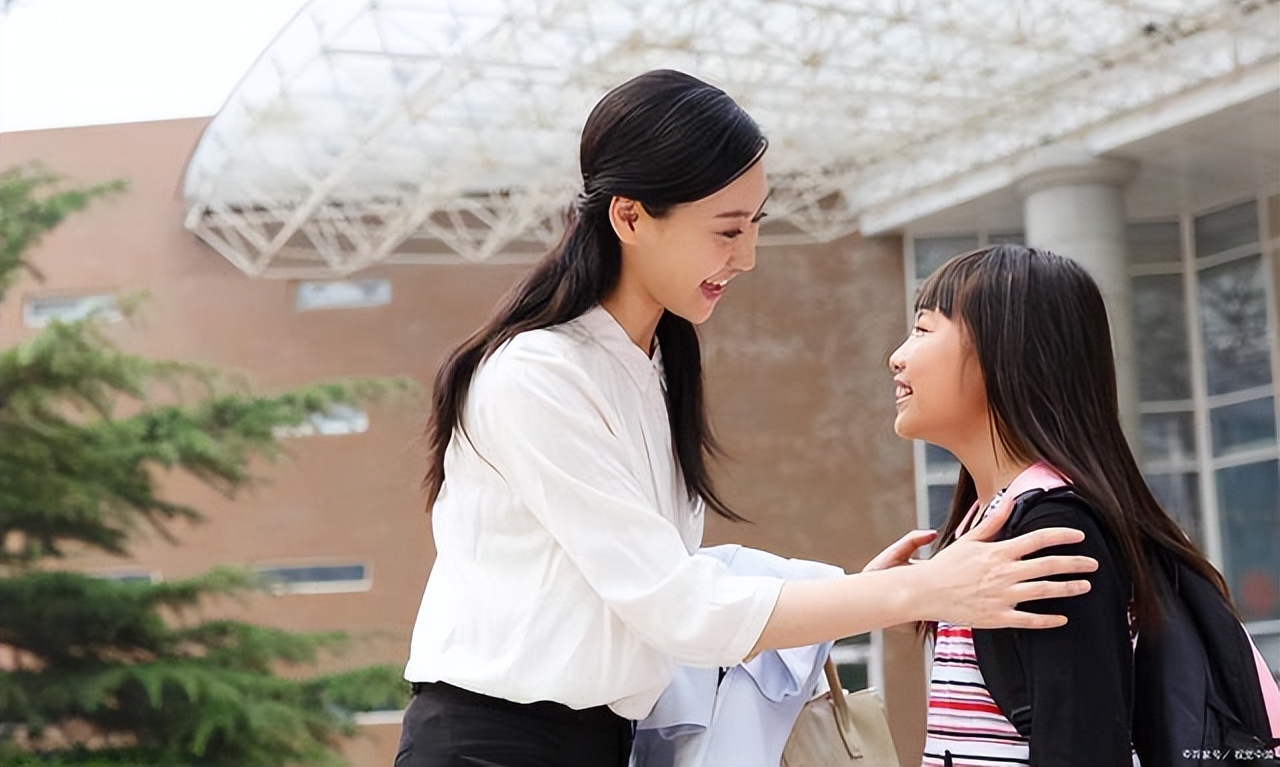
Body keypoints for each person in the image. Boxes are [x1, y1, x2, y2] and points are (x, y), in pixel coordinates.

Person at [395, 71, 1097, 767]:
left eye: (754, 226)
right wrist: (913, 590)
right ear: (630, 217)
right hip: (493, 746)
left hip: (589, 743)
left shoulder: (650, 364)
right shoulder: (538, 374)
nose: (748, 257)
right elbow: (678, 607)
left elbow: (657, 575)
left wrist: (852, 591)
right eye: (727, 230)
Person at [888, 244, 1245, 767]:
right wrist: (906, 597)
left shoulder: (1052, 527)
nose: (897, 355)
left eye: (922, 329)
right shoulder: (990, 520)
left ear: (1004, 351)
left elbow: (1082, 745)